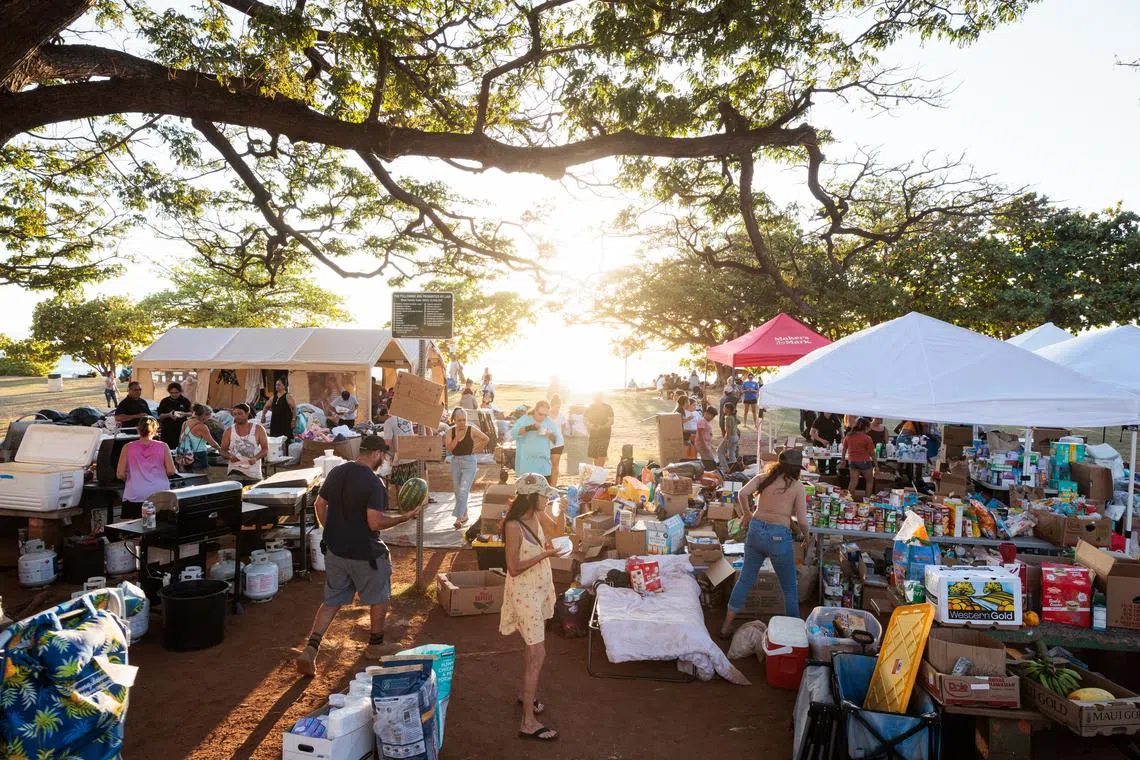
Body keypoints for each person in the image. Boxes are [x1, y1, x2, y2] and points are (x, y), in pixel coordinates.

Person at [295, 436, 422, 675]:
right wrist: (404, 517)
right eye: (383, 457)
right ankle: (375, 645)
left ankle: (311, 648)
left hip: (335, 550)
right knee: (380, 594)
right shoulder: (374, 484)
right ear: (375, 454)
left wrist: (331, 532)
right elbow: (374, 522)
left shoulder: (337, 472)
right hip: (365, 553)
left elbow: (319, 505)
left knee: (331, 601)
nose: (383, 461)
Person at [499, 473, 562, 742]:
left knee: (532, 648)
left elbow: (558, 531)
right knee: (537, 653)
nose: (547, 498)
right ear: (531, 497)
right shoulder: (513, 526)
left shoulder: (536, 514)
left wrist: (563, 510)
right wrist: (546, 554)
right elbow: (512, 568)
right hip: (525, 593)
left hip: (537, 590)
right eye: (544, 494)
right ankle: (528, 722)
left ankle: (527, 696)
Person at [720, 449, 807, 636]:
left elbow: (742, 494)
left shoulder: (764, 478)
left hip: (756, 530)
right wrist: (806, 537)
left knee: (745, 579)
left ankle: (726, 626)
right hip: (778, 537)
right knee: (790, 587)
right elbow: (803, 521)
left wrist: (747, 514)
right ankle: (794, 636)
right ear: (797, 469)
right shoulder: (798, 487)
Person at [116, 416, 175, 519]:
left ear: (138, 429)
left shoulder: (127, 447)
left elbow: (120, 474)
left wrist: (130, 477)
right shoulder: (163, 446)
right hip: (160, 493)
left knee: (135, 529)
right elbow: (171, 471)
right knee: (160, 527)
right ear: (156, 429)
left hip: (135, 493)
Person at [447, 408, 490, 529]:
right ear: (454, 420)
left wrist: (476, 449)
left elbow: (486, 438)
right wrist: (457, 437)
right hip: (455, 462)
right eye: (459, 420)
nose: (462, 423)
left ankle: (459, 518)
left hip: (469, 462)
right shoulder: (450, 432)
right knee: (457, 490)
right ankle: (464, 513)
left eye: (464, 420)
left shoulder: (471, 429)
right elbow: (449, 449)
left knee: (463, 489)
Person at [509, 400, 563, 478]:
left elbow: (558, 440)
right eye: (540, 414)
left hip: (543, 466)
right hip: (526, 466)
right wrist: (529, 428)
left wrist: (549, 435)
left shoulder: (549, 422)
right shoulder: (525, 419)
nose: (543, 417)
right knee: (526, 489)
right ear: (535, 410)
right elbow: (513, 433)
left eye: (545, 415)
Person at [221, 403, 268, 484]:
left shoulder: (258, 429)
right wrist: (230, 456)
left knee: (252, 495)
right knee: (235, 495)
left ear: (247, 414)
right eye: (235, 414)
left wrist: (255, 458)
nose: (237, 416)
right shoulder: (229, 431)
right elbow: (223, 450)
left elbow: (265, 449)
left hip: (253, 473)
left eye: (240, 413)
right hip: (234, 471)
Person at [176, 404, 221, 471]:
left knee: (188, 477)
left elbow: (181, 439)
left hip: (186, 454)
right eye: (209, 416)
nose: (209, 418)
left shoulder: (185, 423)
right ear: (204, 415)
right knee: (200, 478)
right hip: (199, 455)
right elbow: (213, 443)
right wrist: (221, 450)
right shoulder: (202, 426)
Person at [842, 418, 876, 499]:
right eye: (869, 427)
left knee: (853, 481)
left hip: (852, 461)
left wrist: (843, 460)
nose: (869, 429)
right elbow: (872, 453)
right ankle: (866, 501)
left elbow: (844, 449)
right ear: (865, 427)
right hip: (864, 461)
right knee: (869, 481)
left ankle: (849, 500)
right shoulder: (867, 438)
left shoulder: (849, 436)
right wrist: (876, 465)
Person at [156, 382, 192, 449]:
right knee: (167, 450)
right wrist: (168, 415)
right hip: (168, 431)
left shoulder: (185, 401)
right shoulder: (165, 401)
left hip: (181, 430)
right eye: (171, 393)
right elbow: (160, 416)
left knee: (182, 450)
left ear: (180, 391)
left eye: (176, 392)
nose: (174, 395)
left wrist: (184, 414)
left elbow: (191, 413)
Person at [584, 393, 614, 467]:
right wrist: (590, 425)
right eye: (595, 398)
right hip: (593, 433)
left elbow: (611, 421)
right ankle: (597, 469)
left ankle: (600, 469)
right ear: (593, 398)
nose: (597, 399)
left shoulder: (608, 407)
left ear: (601, 398)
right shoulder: (590, 407)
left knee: (602, 453)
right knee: (594, 454)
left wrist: (602, 427)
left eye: (599, 397)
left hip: (605, 433)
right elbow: (585, 420)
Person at [547, 394, 568, 484]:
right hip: (546, 443)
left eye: (559, 407)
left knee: (555, 464)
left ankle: (553, 486)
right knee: (547, 464)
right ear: (551, 406)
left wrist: (559, 437)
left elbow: (563, 428)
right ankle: (546, 484)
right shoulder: (545, 415)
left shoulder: (561, 415)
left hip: (558, 443)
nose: (557, 409)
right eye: (556, 407)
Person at [717, 402, 740, 468]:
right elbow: (739, 422)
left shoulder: (728, 418)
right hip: (735, 437)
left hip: (730, 437)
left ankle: (725, 468)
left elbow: (728, 430)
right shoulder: (733, 417)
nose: (723, 409)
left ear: (728, 409)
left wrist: (727, 440)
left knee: (719, 451)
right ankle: (735, 468)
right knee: (731, 454)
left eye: (724, 408)